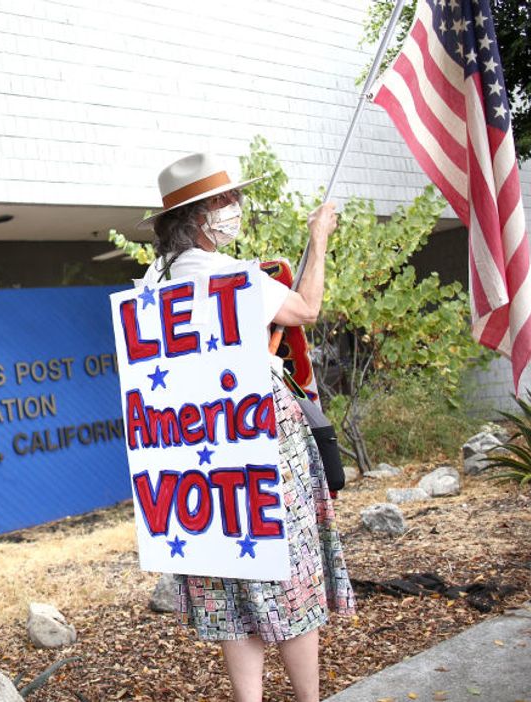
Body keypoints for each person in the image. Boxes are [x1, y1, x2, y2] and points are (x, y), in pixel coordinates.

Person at [137, 153, 355, 702]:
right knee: (289, 567)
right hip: (262, 431)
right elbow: (306, 309)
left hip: (198, 445)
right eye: (223, 200)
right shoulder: (231, 276)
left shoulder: (151, 284)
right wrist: (318, 239)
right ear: (198, 217)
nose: (234, 206)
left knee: (230, 573)